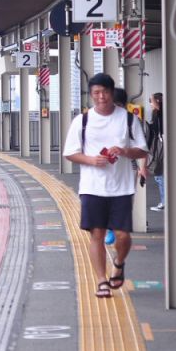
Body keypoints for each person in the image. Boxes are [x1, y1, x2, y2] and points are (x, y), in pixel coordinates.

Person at [63, 73, 149, 299]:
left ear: (112, 92)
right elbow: (70, 153)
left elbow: (142, 149)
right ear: (91, 95)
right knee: (97, 234)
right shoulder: (82, 121)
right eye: (96, 93)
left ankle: (119, 263)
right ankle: (101, 280)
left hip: (121, 187)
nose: (101, 97)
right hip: (92, 187)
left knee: (122, 235)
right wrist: (91, 160)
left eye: (105, 92)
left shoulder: (128, 119)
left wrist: (124, 151)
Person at [146, 93, 166, 212]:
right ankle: (164, 201)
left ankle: (164, 202)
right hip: (160, 146)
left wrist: (153, 97)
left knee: (160, 175)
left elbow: (159, 107)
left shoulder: (163, 110)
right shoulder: (157, 114)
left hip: (163, 147)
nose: (151, 104)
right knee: (160, 175)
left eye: (151, 101)